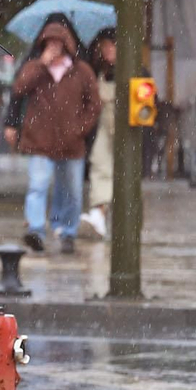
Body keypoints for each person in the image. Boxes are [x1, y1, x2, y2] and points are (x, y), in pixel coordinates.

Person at [9, 17, 101, 255]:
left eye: (58, 44)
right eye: (49, 43)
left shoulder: (81, 71)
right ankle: (36, 230)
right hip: (39, 142)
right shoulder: (35, 68)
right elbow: (19, 88)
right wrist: (41, 64)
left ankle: (67, 232)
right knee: (37, 186)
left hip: (71, 144)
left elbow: (94, 105)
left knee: (72, 191)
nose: (54, 48)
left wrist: (80, 129)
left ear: (67, 45)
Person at [82, 29, 117, 239]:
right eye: (105, 46)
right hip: (103, 126)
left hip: (125, 129)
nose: (109, 50)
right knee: (100, 165)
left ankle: (107, 215)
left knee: (121, 173)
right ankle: (99, 213)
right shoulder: (96, 70)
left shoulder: (136, 70)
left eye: (112, 46)